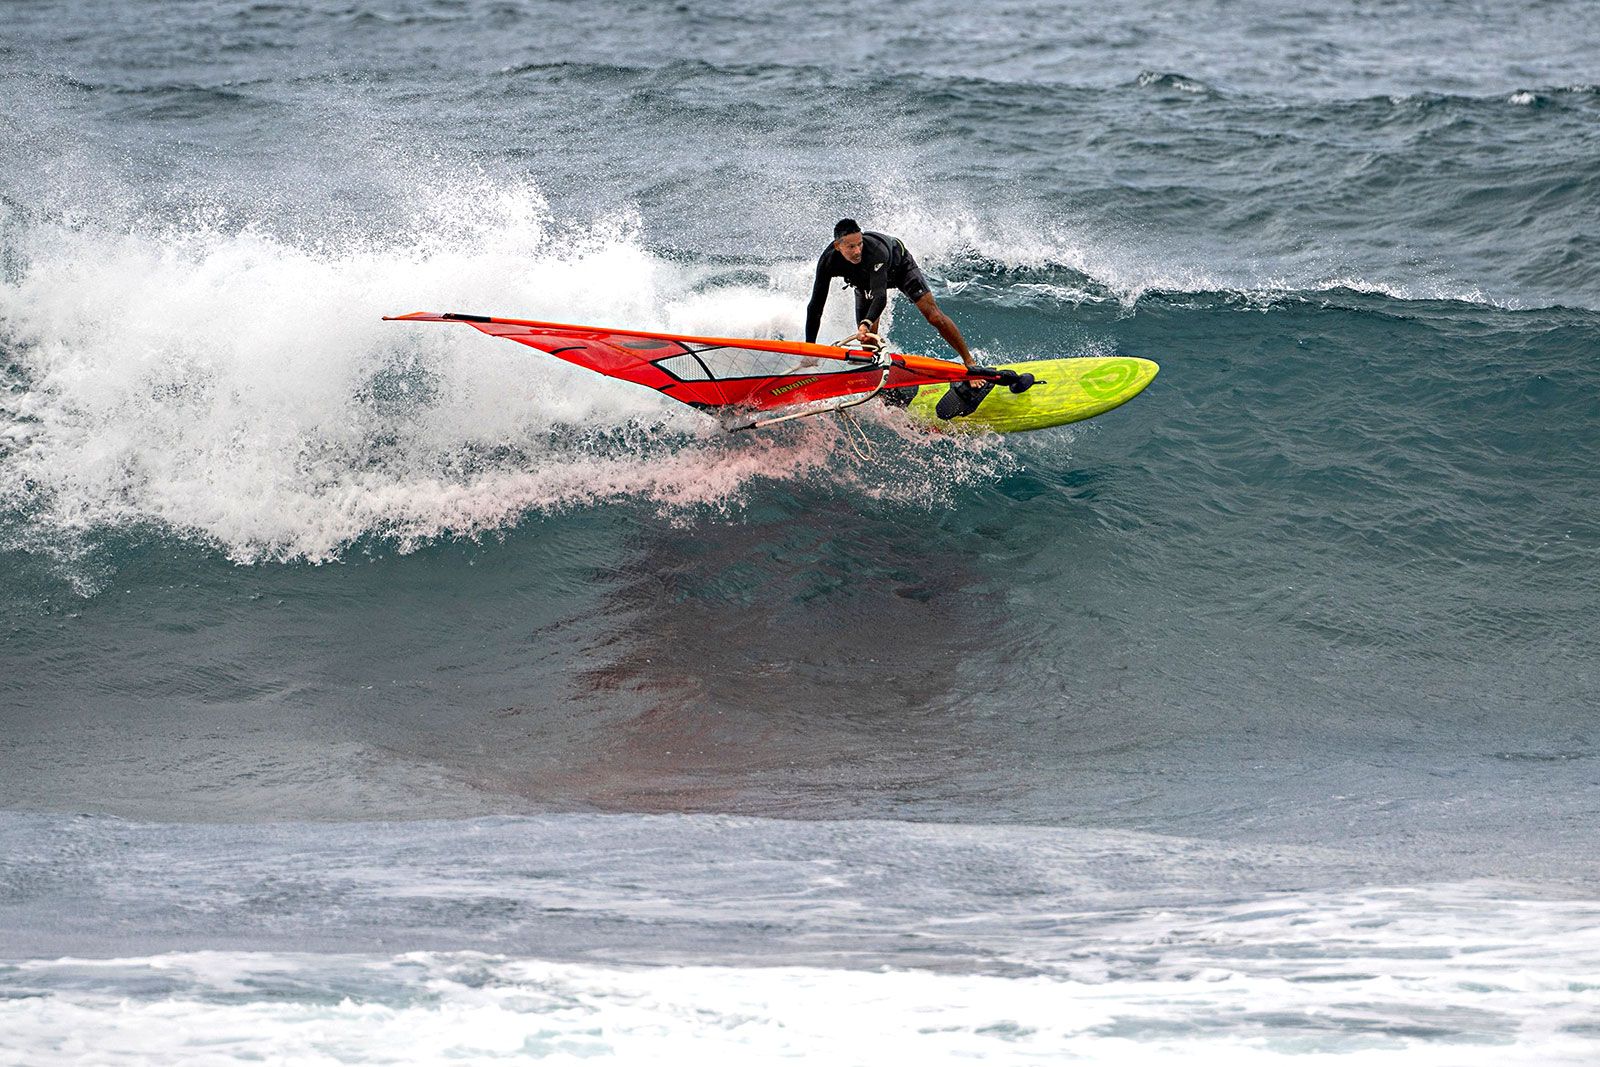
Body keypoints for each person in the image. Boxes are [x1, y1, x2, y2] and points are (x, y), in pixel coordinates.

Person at [803, 219, 975, 368]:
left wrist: (865, 323)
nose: (857, 251)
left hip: (900, 268)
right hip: (865, 281)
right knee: (867, 341)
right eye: (851, 247)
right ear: (837, 246)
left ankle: (970, 363)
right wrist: (810, 349)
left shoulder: (875, 251)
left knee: (934, 316)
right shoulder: (828, 261)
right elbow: (815, 306)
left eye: (860, 244)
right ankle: (878, 375)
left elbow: (880, 297)